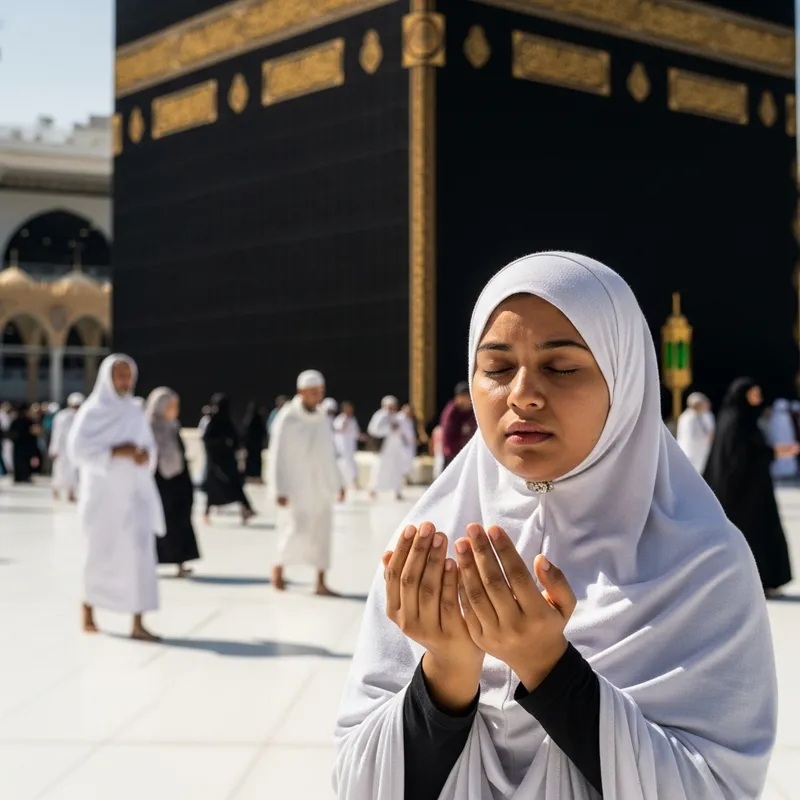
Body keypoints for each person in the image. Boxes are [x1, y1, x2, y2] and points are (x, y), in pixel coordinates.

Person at [334, 252, 776, 800]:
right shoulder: (430, 545)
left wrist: (549, 668)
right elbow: (359, 782)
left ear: (624, 380)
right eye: (497, 369)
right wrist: (445, 674)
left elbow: (714, 786)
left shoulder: (701, 563)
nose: (523, 394)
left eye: (562, 368)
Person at [67, 354, 165, 641]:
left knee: (139, 558)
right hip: (103, 499)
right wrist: (115, 452)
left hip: (134, 496)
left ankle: (138, 622)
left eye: (128, 375)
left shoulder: (135, 411)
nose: (125, 381)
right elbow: (77, 451)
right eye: (120, 376)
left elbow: (149, 446)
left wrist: (145, 455)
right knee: (99, 555)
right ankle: (88, 607)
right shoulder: (92, 411)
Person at [705, 378, 796, 597]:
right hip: (745, 495)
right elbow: (742, 457)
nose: (758, 398)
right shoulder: (737, 422)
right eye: (754, 394)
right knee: (754, 537)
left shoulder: (737, 419)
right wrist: (773, 452)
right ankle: (758, 583)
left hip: (749, 492)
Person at [270, 370, 345, 596]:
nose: (318, 396)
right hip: (296, 487)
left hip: (320, 488)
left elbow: (329, 453)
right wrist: (279, 489)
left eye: (320, 392)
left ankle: (320, 582)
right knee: (296, 529)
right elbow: (277, 455)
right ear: (301, 392)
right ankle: (278, 568)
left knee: (322, 534)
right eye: (313, 392)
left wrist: (338, 483)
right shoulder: (287, 418)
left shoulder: (322, 417)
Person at [146, 387, 200, 578]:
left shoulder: (173, 425)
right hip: (158, 482)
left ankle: (180, 561)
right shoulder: (148, 427)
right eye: (171, 406)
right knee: (158, 522)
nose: (175, 410)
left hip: (177, 480)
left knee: (179, 521)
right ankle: (150, 562)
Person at [201, 393, 255, 524]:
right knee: (220, 487)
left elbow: (234, 439)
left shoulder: (219, 421)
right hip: (220, 460)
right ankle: (207, 513)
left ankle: (246, 509)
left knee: (228, 486)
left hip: (222, 460)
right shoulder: (218, 421)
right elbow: (209, 439)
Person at [368, 396, 409, 501]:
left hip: (395, 448)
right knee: (379, 468)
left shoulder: (397, 416)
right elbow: (373, 430)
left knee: (396, 469)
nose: (392, 408)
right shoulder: (380, 416)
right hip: (383, 449)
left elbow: (402, 430)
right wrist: (388, 428)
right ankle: (373, 489)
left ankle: (397, 491)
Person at [49, 392, 85, 501]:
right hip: (62, 449)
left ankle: (71, 493)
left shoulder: (83, 415)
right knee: (59, 471)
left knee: (74, 472)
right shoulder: (62, 416)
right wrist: (54, 449)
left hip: (76, 449)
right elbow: (57, 434)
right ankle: (55, 490)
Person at [439, 380, 477, 468]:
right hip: (452, 454)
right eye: (465, 397)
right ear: (458, 397)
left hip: (467, 452)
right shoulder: (451, 412)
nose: (468, 400)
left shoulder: (471, 411)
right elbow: (447, 435)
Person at [675, 391, 714, 473]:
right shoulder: (687, 418)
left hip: (702, 451)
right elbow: (690, 436)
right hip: (690, 451)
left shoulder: (706, 415)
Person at [8, 404, 41, 484]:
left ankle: (21, 476)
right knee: (22, 461)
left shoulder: (22, 421)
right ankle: (22, 476)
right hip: (23, 445)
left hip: (21, 445)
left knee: (22, 461)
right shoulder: (26, 421)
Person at [334, 401, 362, 489]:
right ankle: (341, 483)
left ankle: (354, 482)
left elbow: (356, 433)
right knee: (342, 463)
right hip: (342, 446)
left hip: (351, 446)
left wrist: (362, 437)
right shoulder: (339, 419)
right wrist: (344, 424)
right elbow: (337, 430)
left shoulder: (353, 419)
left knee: (352, 463)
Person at [767, 398, 798, 480]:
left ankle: (789, 469)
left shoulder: (786, 414)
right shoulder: (776, 415)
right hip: (779, 427)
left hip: (786, 427)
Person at [242, 401, 267, 484]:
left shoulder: (249, 418)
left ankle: (250, 475)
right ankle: (255, 475)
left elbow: (245, 431)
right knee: (255, 460)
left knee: (251, 459)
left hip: (251, 444)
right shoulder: (257, 419)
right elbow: (263, 431)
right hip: (256, 444)